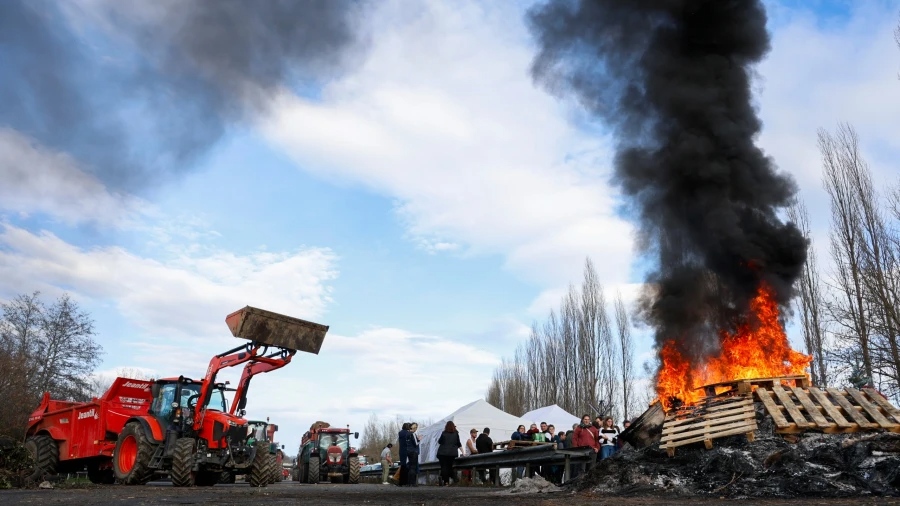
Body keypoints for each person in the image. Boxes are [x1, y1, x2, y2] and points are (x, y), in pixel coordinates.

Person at [437, 421, 462, 486]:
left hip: (442, 453)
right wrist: (463, 452)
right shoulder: (456, 433)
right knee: (449, 466)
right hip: (452, 453)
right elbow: (458, 443)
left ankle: (446, 481)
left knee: (444, 467)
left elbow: (439, 442)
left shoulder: (444, 433)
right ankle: (453, 478)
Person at [405, 422, 422, 486]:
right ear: (414, 428)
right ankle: (413, 482)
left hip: (408, 451)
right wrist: (419, 439)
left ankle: (409, 482)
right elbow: (416, 443)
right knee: (413, 467)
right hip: (414, 452)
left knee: (410, 467)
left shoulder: (407, 434)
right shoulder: (413, 434)